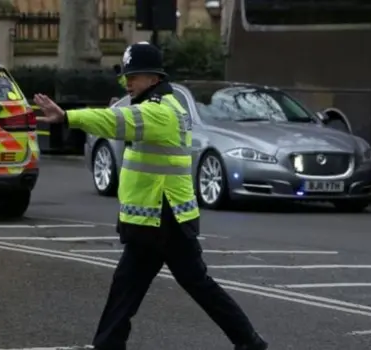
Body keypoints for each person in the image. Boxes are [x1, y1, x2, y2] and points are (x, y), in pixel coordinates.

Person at [33, 42, 268, 350]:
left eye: (136, 75)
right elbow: (123, 115)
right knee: (129, 286)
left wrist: (67, 117)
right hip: (153, 218)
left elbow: (116, 122)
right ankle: (108, 344)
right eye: (126, 76)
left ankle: (250, 342)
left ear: (155, 78)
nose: (128, 81)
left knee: (193, 285)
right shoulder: (159, 105)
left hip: (164, 218)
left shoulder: (160, 112)